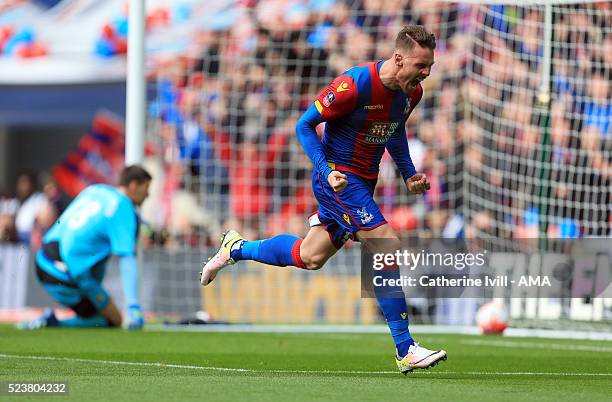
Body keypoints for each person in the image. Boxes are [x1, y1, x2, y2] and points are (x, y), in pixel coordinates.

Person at [200, 25, 446, 374]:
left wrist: (408, 173)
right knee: (384, 244)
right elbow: (304, 125)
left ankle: (235, 248)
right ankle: (405, 348)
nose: (426, 73)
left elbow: (393, 130)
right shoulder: (355, 84)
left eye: (431, 66)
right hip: (338, 181)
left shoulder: (411, 93)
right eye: (422, 65)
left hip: (363, 184)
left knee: (310, 256)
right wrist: (326, 168)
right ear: (398, 58)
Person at [19, 165, 152, 330]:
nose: (148, 194)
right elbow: (127, 258)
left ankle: (55, 321)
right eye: (146, 188)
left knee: (101, 313)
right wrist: (133, 307)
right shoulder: (123, 208)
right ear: (133, 185)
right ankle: (53, 324)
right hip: (63, 272)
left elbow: (69, 224)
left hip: (43, 258)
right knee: (112, 320)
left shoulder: (95, 190)